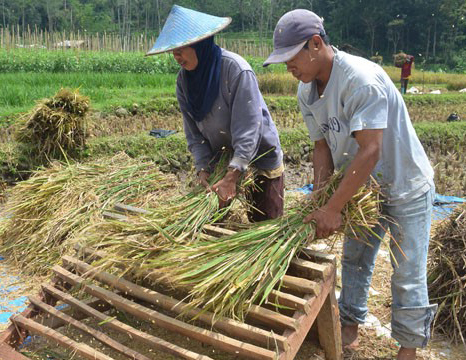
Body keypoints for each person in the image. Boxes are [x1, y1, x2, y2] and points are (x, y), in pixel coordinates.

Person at [264, 9, 436, 360]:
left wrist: (334, 208)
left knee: (407, 273)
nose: (288, 68)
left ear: (315, 44)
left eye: (290, 58)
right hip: (363, 189)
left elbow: (370, 150)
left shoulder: (360, 79)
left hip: (405, 186)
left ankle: (408, 349)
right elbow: (322, 147)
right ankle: (350, 327)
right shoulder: (306, 91)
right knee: (356, 259)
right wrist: (321, 197)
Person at [147, 5, 284, 221]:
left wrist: (234, 174)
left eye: (181, 48)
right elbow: (194, 134)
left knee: (264, 227)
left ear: (200, 45)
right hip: (220, 161)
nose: (176, 55)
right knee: (209, 223)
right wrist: (203, 168)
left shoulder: (236, 71)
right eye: (173, 50)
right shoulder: (184, 82)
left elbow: (248, 129)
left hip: (258, 157)